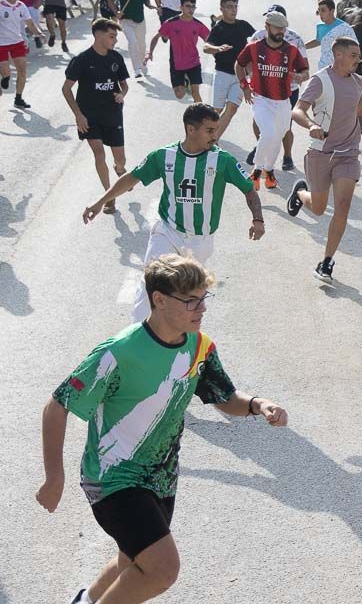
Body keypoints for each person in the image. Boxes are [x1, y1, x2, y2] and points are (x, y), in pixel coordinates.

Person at [37, 254, 288, 604]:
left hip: (161, 477)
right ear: (159, 300)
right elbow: (58, 404)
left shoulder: (198, 346)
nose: (201, 308)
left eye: (204, 298)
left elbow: (223, 395)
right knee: (162, 569)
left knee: (133, 560)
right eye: (190, 301)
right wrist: (54, 477)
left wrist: (257, 405)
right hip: (113, 478)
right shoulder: (120, 352)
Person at [81, 103, 265, 321]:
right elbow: (132, 177)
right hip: (168, 231)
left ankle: (181, 344)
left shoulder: (222, 160)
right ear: (191, 129)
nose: (215, 136)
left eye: (216, 130)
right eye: (209, 130)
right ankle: (137, 337)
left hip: (200, 241)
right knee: (151, 283)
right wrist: (101, 201)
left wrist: (258, 219)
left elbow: (249, 190)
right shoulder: (163, 156)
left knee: (187, 297)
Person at [287, 37, 362, 282]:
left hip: (348, 154)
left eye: (359, 55)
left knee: (343, 205)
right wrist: (311, 125)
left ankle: (327, 262)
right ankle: (301, 193)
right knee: (319, 209)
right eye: (354, 55)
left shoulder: (358, 81)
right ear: (338, 55)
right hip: (321, 152)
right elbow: (297, 110)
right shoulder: (320, 80)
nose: (359, 60)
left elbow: (359, 113)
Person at [236, 10, 309, 190]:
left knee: (277, 138)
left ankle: (269, 171)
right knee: (267, 134)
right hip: (261, 99)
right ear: (267, 26)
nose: (281, 32)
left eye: (283, 29)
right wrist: (245, 86)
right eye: (277, 28)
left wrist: (300, 76)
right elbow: (239, 64)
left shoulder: (291, 50)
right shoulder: (253, 47)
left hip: (283, 102)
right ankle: (257, 170)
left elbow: (305, 71)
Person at [62, 19, 129, 207]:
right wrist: (78, 115)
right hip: (89, 116)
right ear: (98, 35)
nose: (115, 41)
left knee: (120, 160)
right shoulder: (82, 60)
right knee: (99, 154)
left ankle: (120, 169)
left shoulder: (116, 58)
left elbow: (124, 85)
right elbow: (66, 89)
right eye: (112, 36)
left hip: (112, 114)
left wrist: (121, 95)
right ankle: (109, 198)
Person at [207, 0, 256, 139]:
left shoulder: (243, 25)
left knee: (232, 108)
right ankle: (205, 137)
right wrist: (217, 48)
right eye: (229, 7)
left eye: (235, 7)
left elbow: (258, 38)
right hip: (222, 74)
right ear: (221, 9)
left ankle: (213, 141)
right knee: (217, 110)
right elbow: (206, 46)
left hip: (241, 76)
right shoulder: (218, 28)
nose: (233, 10)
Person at [147, 0, 210, 102]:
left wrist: (217, 49)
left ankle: (199, 117)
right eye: (188, 6)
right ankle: (185, 83)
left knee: (195, 93)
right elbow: (156, 37)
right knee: (180, 95)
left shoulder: (198, 25)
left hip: (193, 62)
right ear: (181, 7)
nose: (191, 9)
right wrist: (150, 52)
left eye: (193, 7)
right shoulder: (171, 23)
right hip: (177, 63)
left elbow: (209, 40)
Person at [0, 0, 45, 108]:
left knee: (22, 71)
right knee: (6, 73)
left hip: (17, 41)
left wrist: (39, 33)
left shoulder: (21, 6)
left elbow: (29, 23)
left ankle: (18, 98)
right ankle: (5, 77)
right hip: (1, 43)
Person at [111, 0, 157, 80]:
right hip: (126, 21)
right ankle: (136, 69)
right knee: (133, 42)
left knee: (142, 44)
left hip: (140, 20)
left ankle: (143, 64)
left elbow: (146, 0)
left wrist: (150, 5)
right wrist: (116, 11)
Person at [304, 0, 357, 72]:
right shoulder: (320, 26)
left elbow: (355, 49)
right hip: (323, 68)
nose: (320, 14)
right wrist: (303, 46)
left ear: (332, 11)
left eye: (323, 10)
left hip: (340, 69)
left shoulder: (345, 28)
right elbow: (319, 41)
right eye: (319, 11)